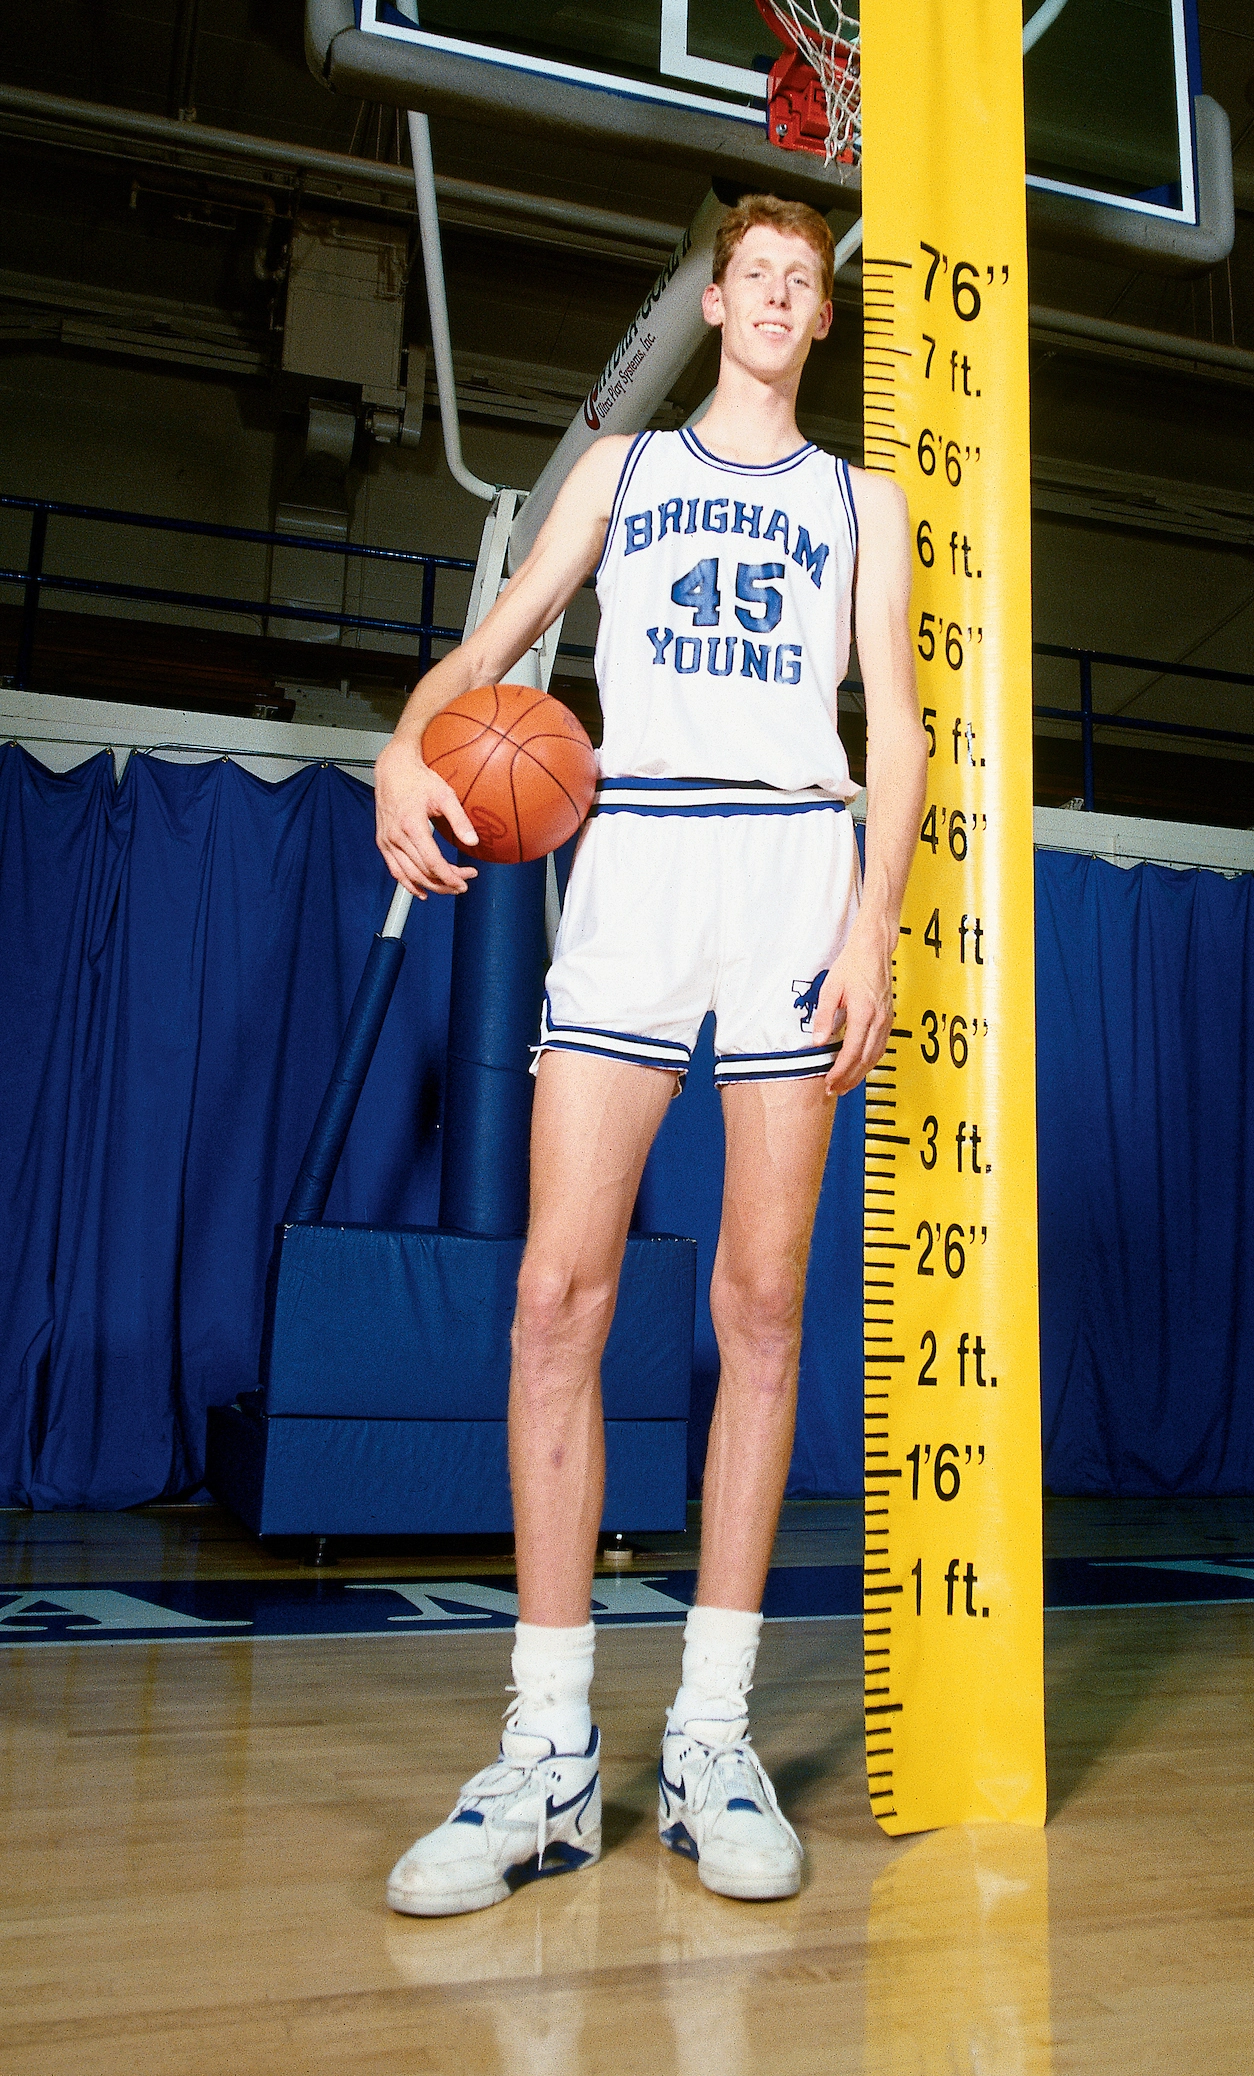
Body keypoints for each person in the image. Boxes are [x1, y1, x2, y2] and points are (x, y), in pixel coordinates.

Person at [372, 195, 926, 1912]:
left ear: (818, 324)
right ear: (712, 300)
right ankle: (546, 1751)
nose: (772, 295)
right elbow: (503, 633)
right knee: (557, 1298)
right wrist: (405, 745)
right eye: (750, 274)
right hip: (633, 868)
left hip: (785, 873)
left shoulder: (863, 503)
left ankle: (708, 1732)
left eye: (799, 283)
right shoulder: (620, 468)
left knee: (758, 1311)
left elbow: (895, 723)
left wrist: (873, 922)